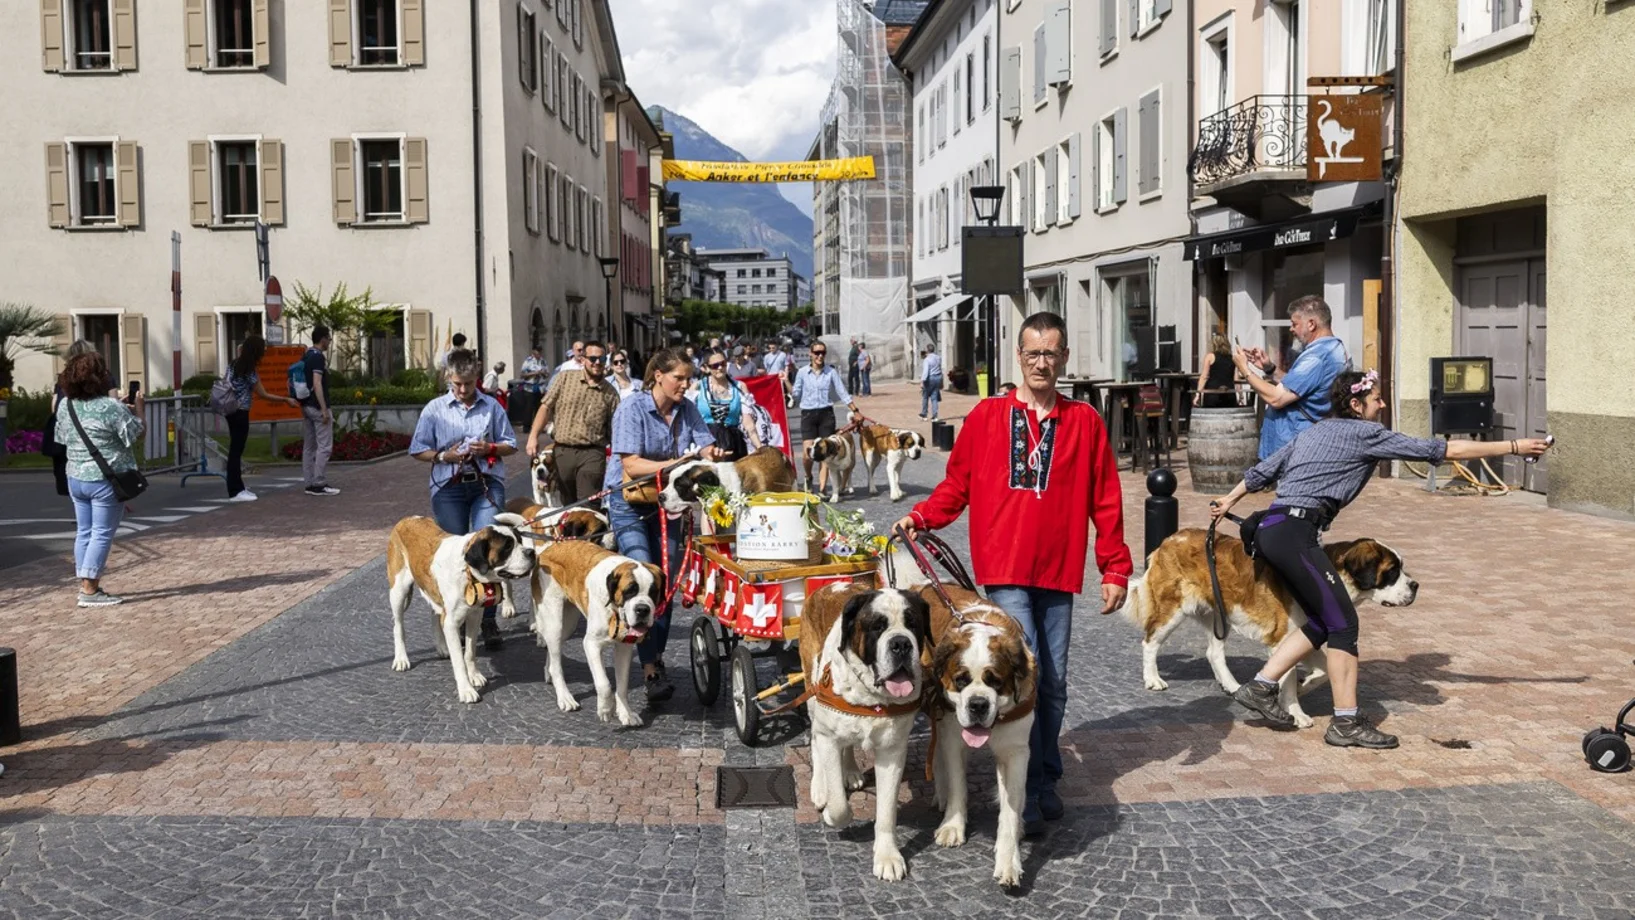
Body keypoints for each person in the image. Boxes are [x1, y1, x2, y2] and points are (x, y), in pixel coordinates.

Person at [1211, 369, 1552, 749]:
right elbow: (1443, 451)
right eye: (1377, 398)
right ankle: (1344, 723)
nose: (1384, 404)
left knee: (1327, 622)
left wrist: (1230, 499)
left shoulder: (1314, 430)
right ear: (1356, 406)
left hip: (1272, 529)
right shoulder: (1366, 434)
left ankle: (1261, 686)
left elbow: (1264, 471)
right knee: (1344, 625)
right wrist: (1515, 447)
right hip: (1295, 533)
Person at [894, 312, 1131, 837]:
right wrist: (921, 516)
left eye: (1051, 353)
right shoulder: (986, 417)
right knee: (1026, 670)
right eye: (1032, 354)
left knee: (1055, 683)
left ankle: (1045, 777)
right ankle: (1021, 799)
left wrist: (1114, 566)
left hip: (1060, 568)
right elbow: (957, 484)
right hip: (1005, 570)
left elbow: (1106, 499)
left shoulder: (1085, 422)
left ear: (1064, 357)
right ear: (1017, 357)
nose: (1042, 362)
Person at [604, 349, 726, 701]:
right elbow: (631, 465)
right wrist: (678, 462)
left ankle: (652, 655)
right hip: (628, 501)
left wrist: (711, 454)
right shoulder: (632, 407)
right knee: (642, 572)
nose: (686, 386)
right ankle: (649, 667)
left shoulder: (686, 408)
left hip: (667, 502)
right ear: (658, 375)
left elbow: (704, 445)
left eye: (689, 379)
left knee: (666, 580)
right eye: (680, 378)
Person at [409, 348, 519, 649]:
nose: (462, 390)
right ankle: (455, 616)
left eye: (468, 384)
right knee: (454, 553)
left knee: (489, 544)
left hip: (485, 483)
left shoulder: (492, 407)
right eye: (457, 383)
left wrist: (491, 448)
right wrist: (445, 455)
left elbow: (511, 444)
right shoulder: (434, 409)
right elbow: (417, 449)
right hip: (449, 487)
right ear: (449, 377)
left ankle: (487, 619)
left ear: (476, 378)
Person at [55, 351, 145, 607]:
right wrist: (139, 410)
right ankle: (90, 589)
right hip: (106, 479)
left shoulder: (66, 405)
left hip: (76, 476)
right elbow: (137, 434)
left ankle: (85, 582)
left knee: (84, 531)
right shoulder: (110, 407)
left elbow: (61, 438)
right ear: (99, 377)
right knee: (102, 533)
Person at [1237, 295, 1350, 459]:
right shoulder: (1336, 348)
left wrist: (1245, 369)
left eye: (1295, 324)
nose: (1291, 329)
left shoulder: (1316, 358)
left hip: (1295, 446)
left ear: (1311, 324)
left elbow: (1276, 398)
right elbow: (1301, 386)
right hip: (1301, 443)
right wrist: (1270, 368)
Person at [526, 340, 620, 504]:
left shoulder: (611, 393)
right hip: (563, 451)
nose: (597, 363)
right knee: (567, 504)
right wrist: (533, 436)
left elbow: (615, 430)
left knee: (588, 504)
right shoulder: (564, 379)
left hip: (593, 453)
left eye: (602, 359)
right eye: (593, 359)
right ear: (583, 360)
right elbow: (546, 407)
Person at [222, 335, 299, 502]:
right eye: (262, 349)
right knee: (236, 451)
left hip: (230, 411)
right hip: (241, 411)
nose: (264, 352)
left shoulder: (233, 365)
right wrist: (285, 399)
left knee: (234, 450)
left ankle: (238, 486)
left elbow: (226, 383)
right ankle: (235, 491)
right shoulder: (249, 370)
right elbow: (263, 394)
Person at [46, 340, 114, 497]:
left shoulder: (63, 377)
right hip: (96, 431)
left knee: (73, 472)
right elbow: (113, 401)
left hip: (71, 434)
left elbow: (55, 407)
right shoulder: (104, 376)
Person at [792, 341, 859, 493]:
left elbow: (842, 392)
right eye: (817, 353)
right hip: (808, 415)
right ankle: (808, 476)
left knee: (824, 454)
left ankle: (822, 489)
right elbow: (796, 395)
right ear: (811, 354)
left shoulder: (831, 372)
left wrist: (855, 410)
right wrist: (785, 382)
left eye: (823, 352)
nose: (820, 355)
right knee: (807, 455)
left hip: (826, 415)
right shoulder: (802, 372)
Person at [695, 350, 763, 460]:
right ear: (707, 368)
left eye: (723, 364)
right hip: (707, 444)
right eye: (715, 366)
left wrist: (760, 447)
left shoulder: (739, 387)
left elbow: (749, 424)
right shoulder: (697, 387)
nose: (720, 368)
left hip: (733, 443)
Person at [299, 325, 338, 496]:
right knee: (324, 446)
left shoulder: (307, 355)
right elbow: (317, 384)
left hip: (306, 405)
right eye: (328, 338)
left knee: (309, 446)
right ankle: (319, 482)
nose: (329, 341)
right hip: (316, 406)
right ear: (322, 339)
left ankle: (309, 482)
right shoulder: (318, 358)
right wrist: (324, 410)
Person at [1193, 333, 1240, 409]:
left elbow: (1204, 377)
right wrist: (1240, 396)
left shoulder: (1210, 356)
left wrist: (1198, 394)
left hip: (1212, 394)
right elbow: (1236, 379)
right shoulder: (1233, 358)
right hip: (1229, 394)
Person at [918, 347, 944, 421]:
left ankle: (924, 414)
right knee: (934, 397)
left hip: (930, 378)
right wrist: (941, 380)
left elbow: (926, 371)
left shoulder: (927, 359)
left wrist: (922, 381)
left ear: (927, 350)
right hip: (937, 378)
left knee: (925, 396)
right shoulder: (938, 358)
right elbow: (940, 368)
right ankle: (935, 416)